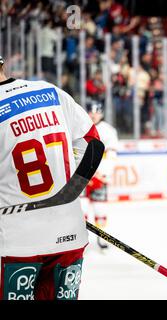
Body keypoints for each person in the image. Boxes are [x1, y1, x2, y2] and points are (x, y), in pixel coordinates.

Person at [0, 56, 102, 300]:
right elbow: (93, 144)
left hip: (15, 242)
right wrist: (68, 193)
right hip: (69, 235)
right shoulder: (49, 91)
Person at [83, 100, 119, 250]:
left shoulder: (108, 130)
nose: (94, 115)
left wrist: (102, 174)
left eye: (97, 112)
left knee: (100, 209)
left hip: (99, 176)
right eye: (91, 112)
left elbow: (111, 155)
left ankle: (102, 238)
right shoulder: (80, 127)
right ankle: (81, 240)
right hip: (82, 176)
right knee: (81, 209)